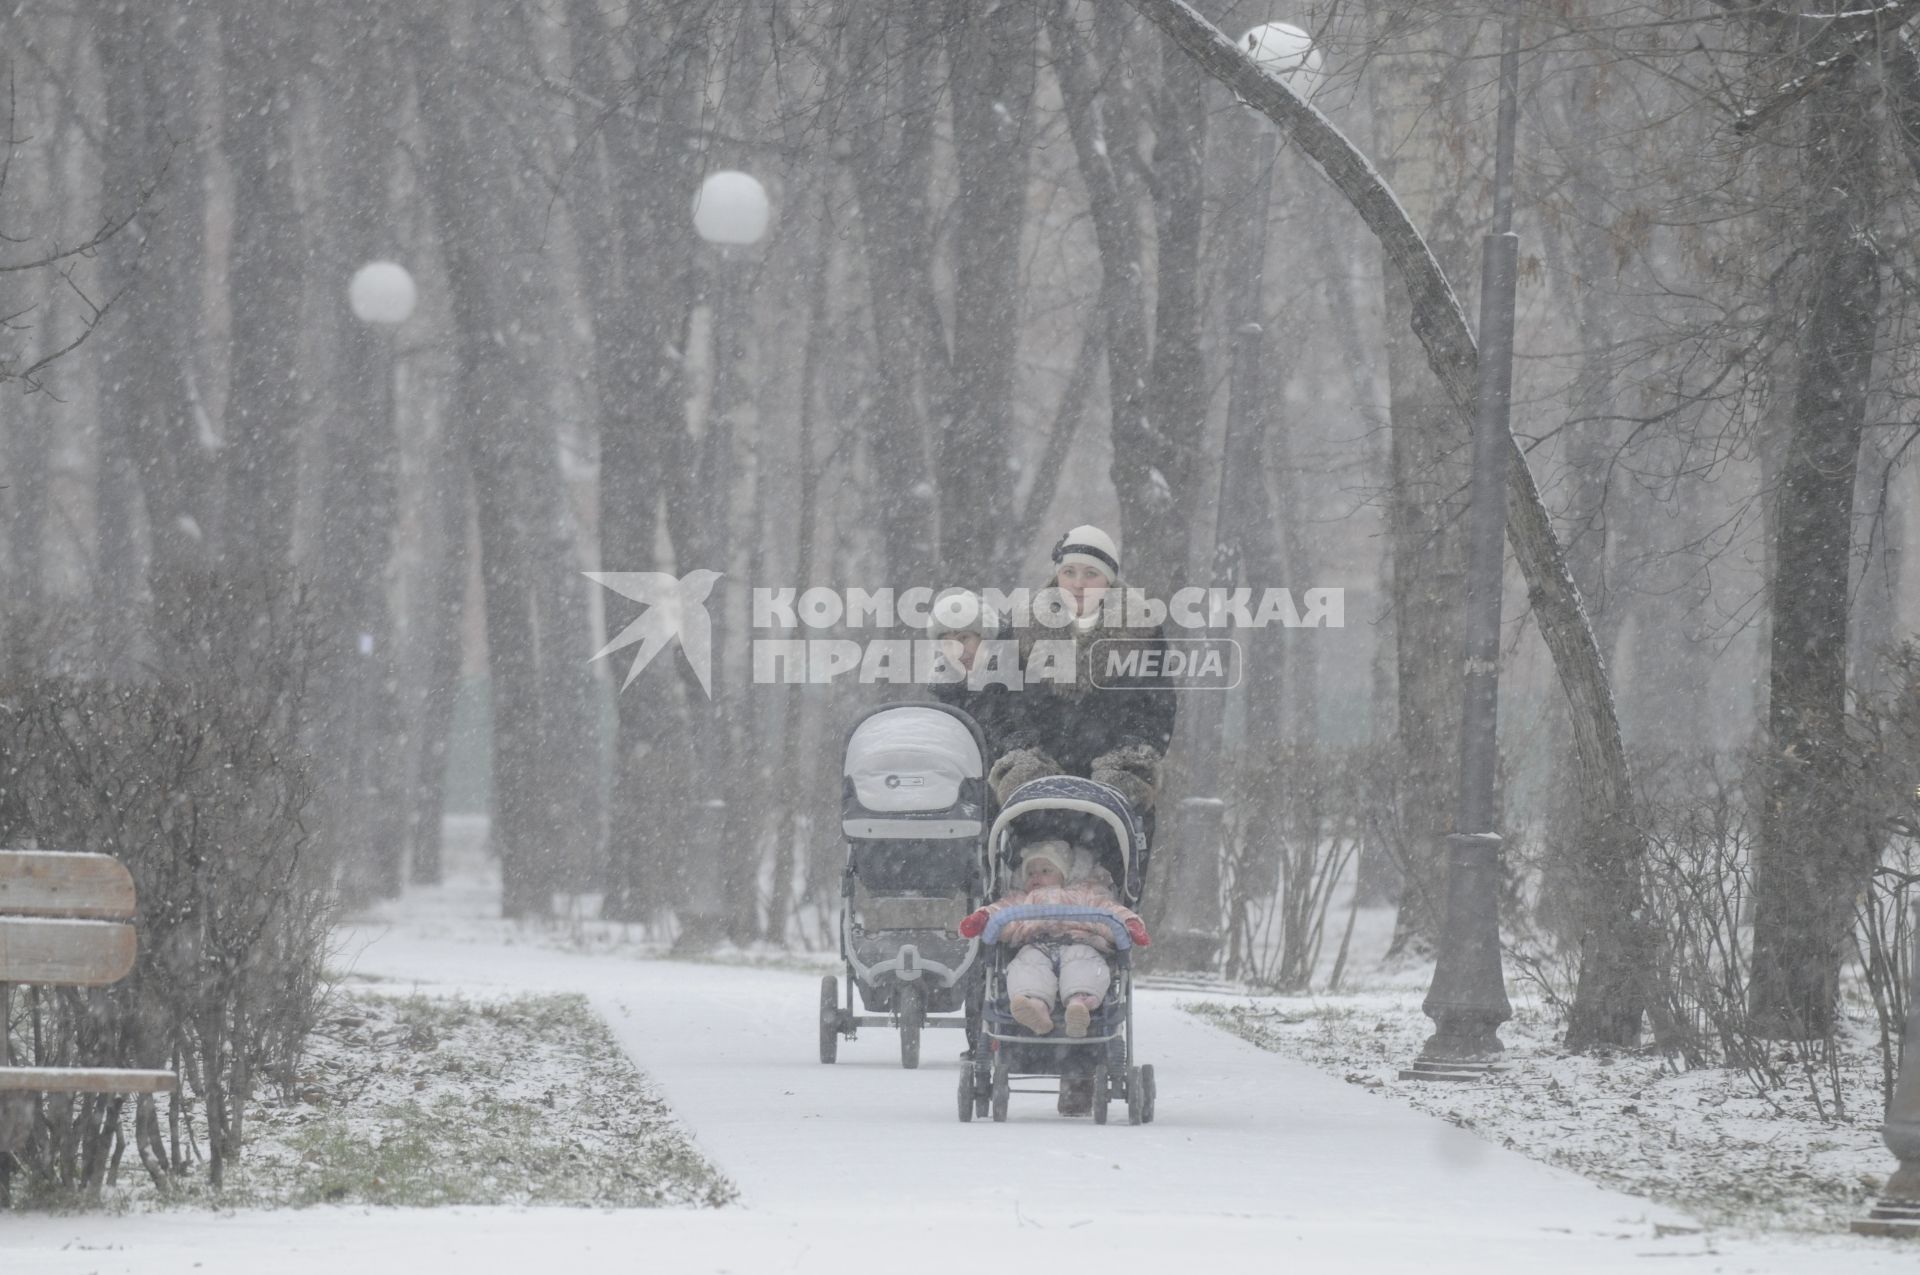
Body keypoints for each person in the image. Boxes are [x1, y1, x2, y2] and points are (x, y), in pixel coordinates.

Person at [988, 525, 1177, 818]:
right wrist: (1022, 754)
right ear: (1057, 575)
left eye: (1091, 574)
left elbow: (1156, 708)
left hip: (1115, 794)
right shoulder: (1018, 627)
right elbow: (998, 704)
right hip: (1034, 792)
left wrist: (1127, 762)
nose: (1078, 584)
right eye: (1069, 572)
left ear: (1108, 581)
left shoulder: (1143, 629)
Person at [957, 839, 1150, 1039]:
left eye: (1046, 871)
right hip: (1036, 945)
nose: (1036, 877)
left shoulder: (1084, 894)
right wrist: (983, 918)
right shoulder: (1022, 898)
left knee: (1084, 964)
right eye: (1030, 873)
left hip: (1079, 941)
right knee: (1025, 966)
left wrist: (1129, 924)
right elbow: (1000, 910)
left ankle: (1079, 1004)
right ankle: (1035, 1007)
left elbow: (1110, 910)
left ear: (1064, 874)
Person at [926, 589, 1017, 758]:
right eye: (947, 643)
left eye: (964, 638)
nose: (958, 652)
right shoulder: (944, 695)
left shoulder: (1018, 685)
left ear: (985, 637)